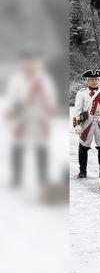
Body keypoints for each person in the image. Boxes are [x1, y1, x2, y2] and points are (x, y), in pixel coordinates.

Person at [4, 52, 57, 186]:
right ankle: (16, 178)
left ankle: (43, 178)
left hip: (39, 117)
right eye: (27, 62)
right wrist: (11, 110)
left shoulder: (43, 79)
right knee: (18, 146)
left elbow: (50, 97)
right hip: (22, 116)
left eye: (32, 62)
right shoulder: (16, 79)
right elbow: (12, 98)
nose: (30, 64)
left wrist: (48, 112)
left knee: (41, 147)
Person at [72, 69, 100, 178]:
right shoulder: (82, 93)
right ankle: (82, 171)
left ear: (99, 81)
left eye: (96, 79)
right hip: (87, 123)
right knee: (83, 146)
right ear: (88, 81)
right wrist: (77, 125)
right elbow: (77, 111)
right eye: (91, 79)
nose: (94, 82)